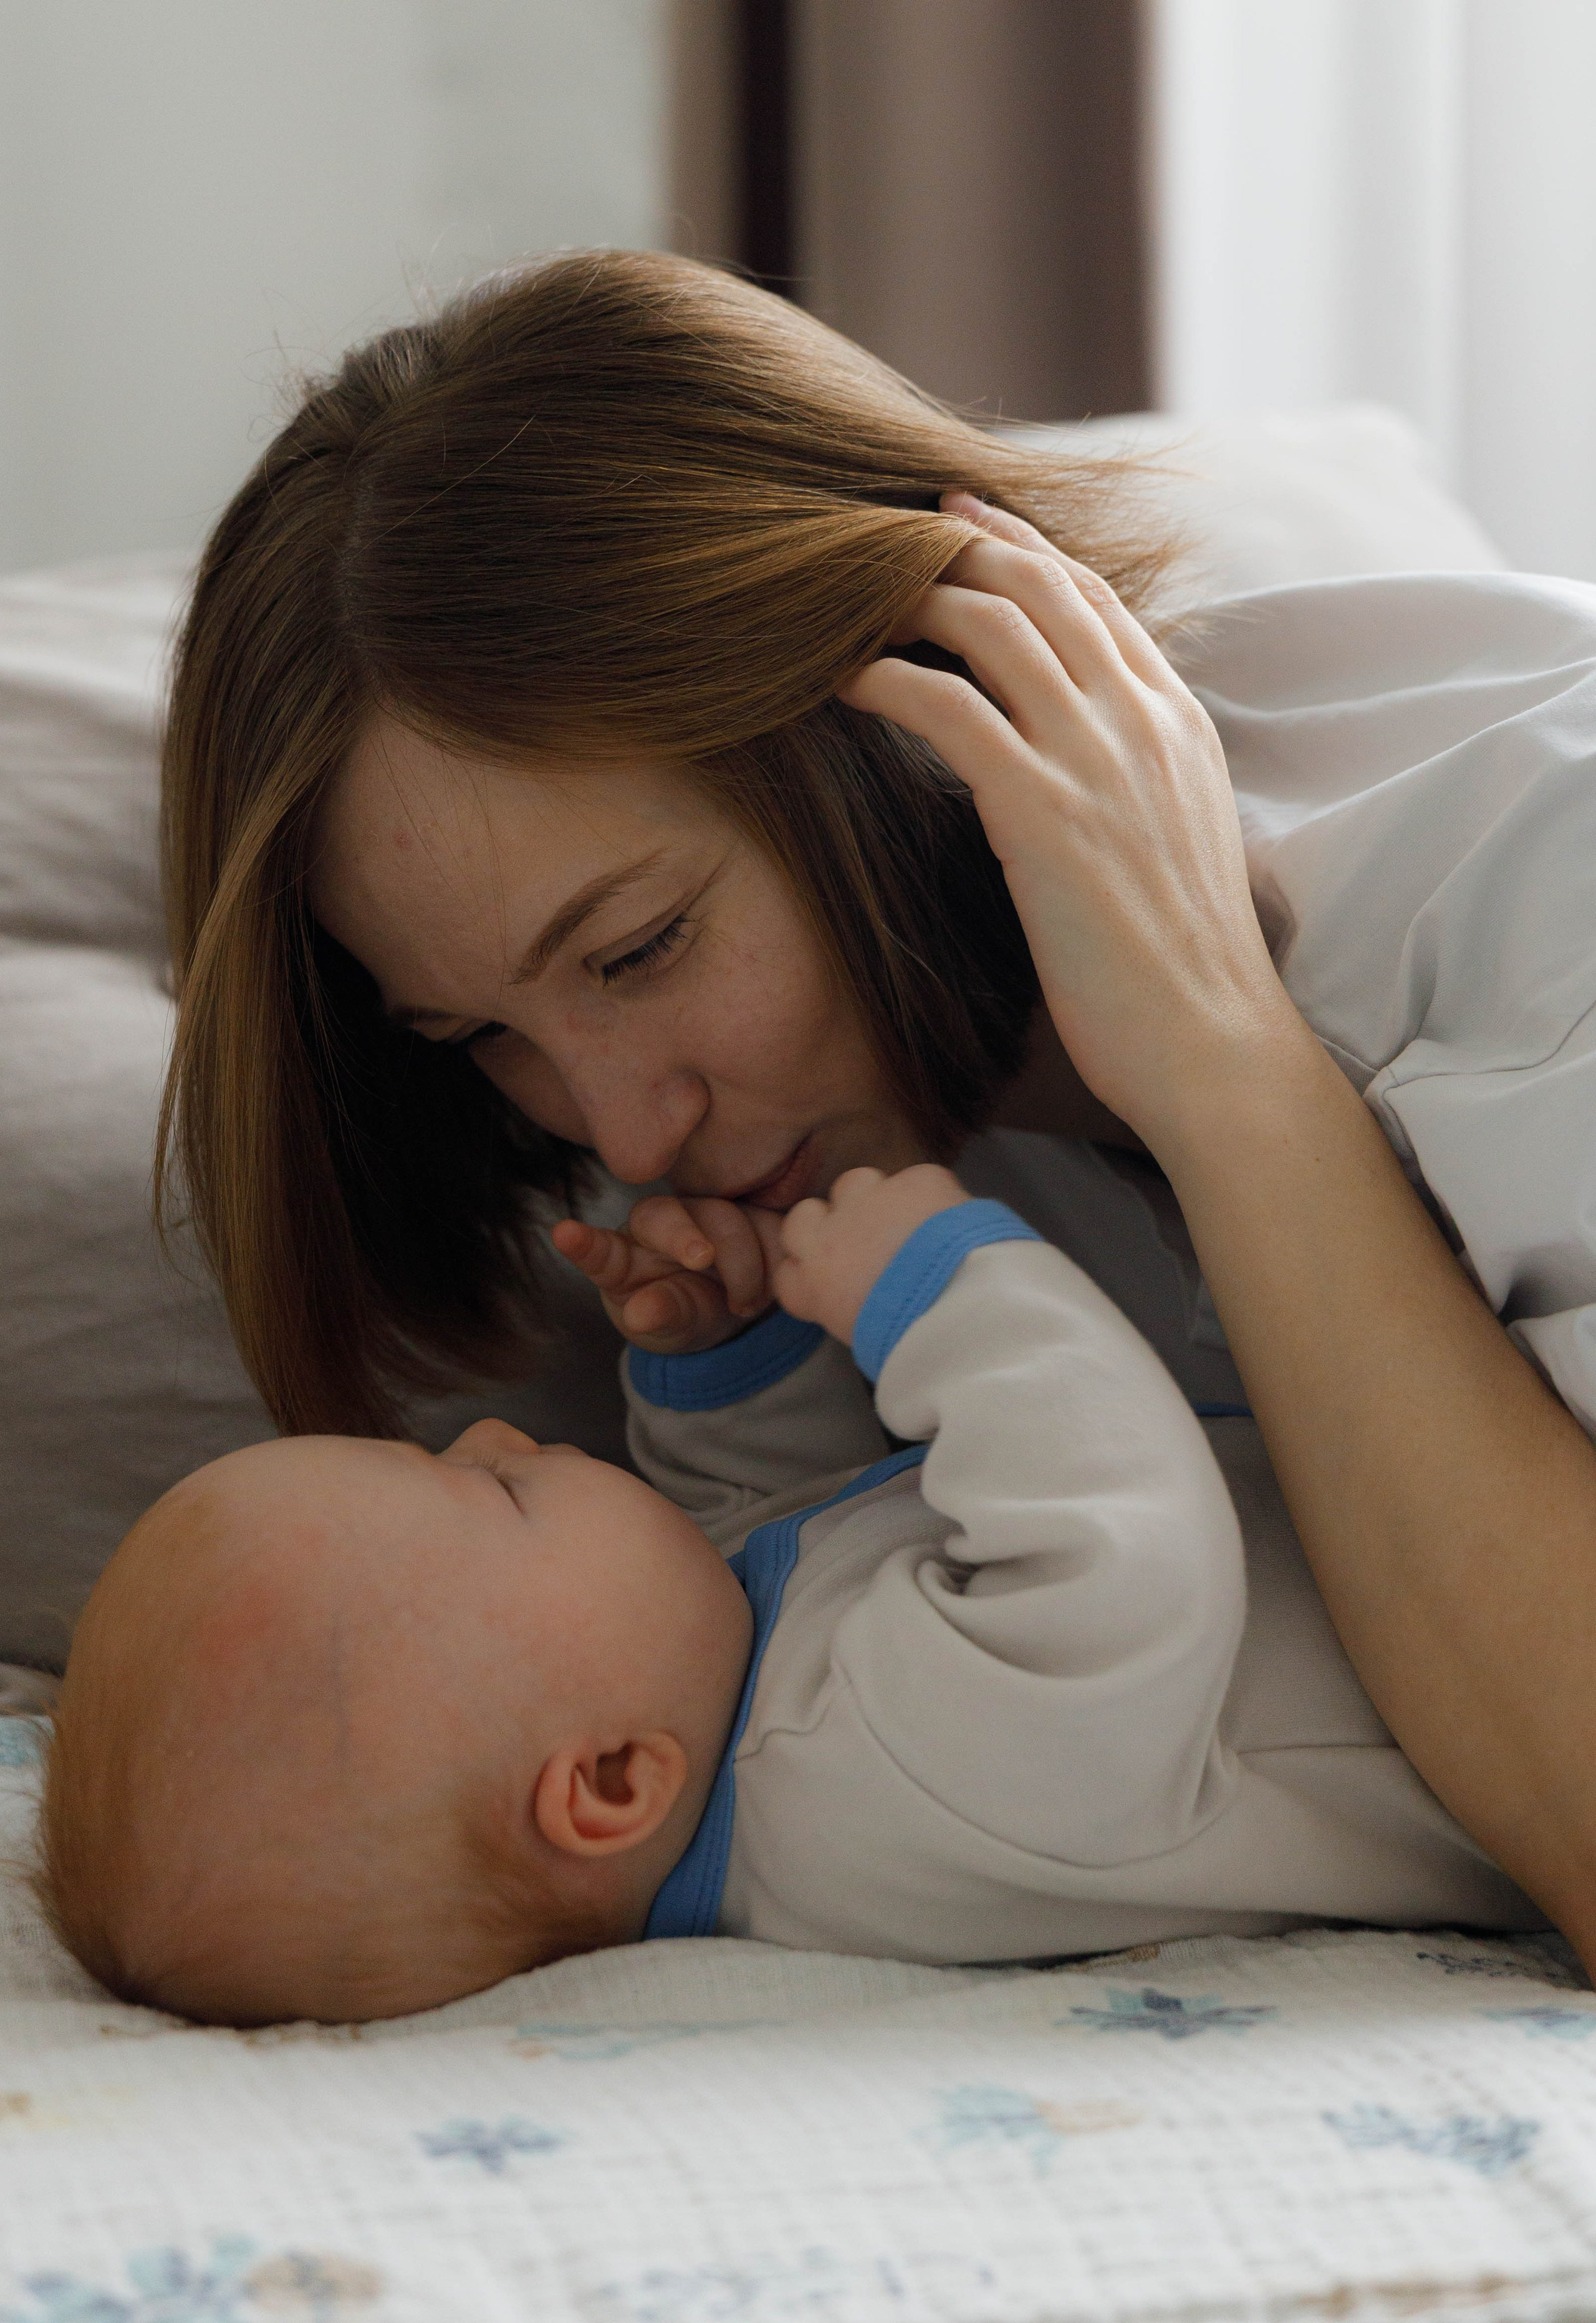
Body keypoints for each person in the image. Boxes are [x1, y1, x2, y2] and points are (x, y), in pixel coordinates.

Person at [159, 248, 1596, 1976]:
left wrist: (1223, 1062)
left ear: (905, 709)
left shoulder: (1540, 894)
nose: (620, 1132)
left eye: (639, 945)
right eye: (480, 1030)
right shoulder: (868, 1155)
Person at [37, 1164, 1537, 2027]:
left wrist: (724, 1359)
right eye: (490, 1492)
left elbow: (769, 1527)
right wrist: (938, 1288)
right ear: (612, 1784)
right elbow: (1118, 1552)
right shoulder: (881, 1784)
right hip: (1525, 1654)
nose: (495, 1433)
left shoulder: (715, 1708)